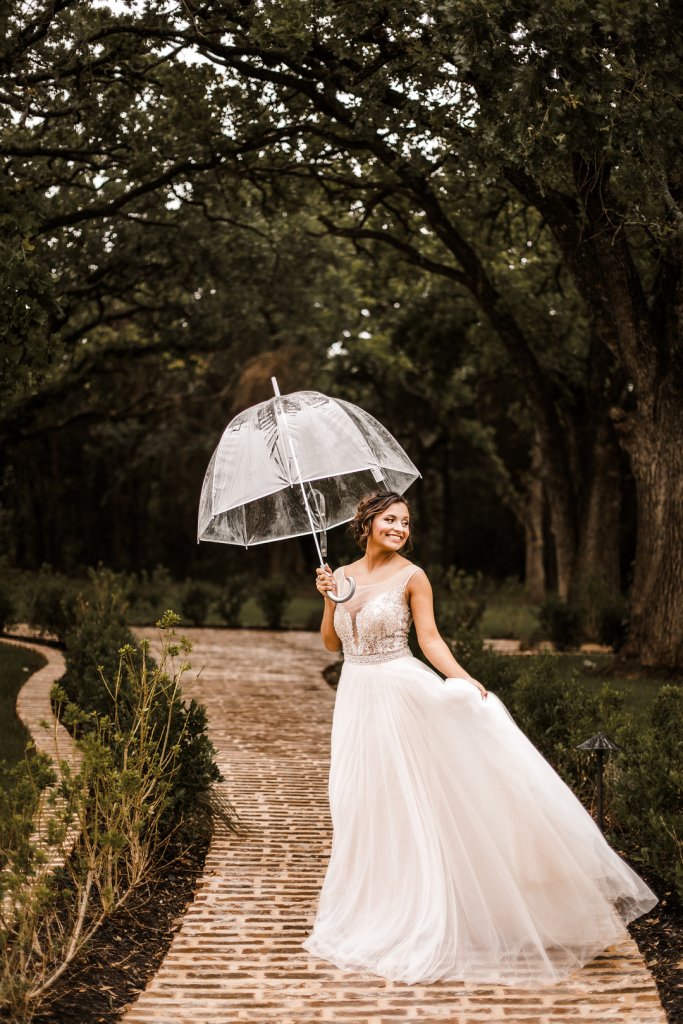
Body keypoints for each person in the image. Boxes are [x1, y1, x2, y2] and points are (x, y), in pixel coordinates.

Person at [302, 491, 656, 987]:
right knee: (360, 801)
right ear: (367, 523)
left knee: (413, 801)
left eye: (406, 521)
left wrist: (464, 680)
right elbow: (332, 643)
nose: (400, 528)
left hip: (401, 692)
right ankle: (373, 905)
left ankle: (425, 910)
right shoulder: (339, 576)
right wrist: (327, 599)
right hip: (357, 698)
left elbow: (429, 639)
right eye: (390, 519)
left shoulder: (413, 576)